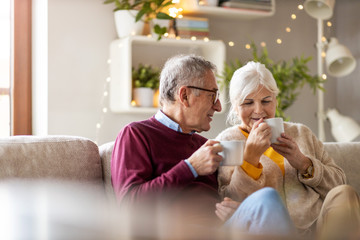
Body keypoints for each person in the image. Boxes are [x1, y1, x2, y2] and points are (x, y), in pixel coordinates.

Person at [111, 54, 295, 239]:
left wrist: (234, 209)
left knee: (264, 201)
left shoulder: (204, 145)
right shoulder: (136, 134)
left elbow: (224, 197)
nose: (219, 106)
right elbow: (130, 207)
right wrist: (190, 167)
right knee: (267, 199)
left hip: (219, 232)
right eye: (212, 95)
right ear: (184, 95)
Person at [216, 61, 360, 240]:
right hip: (270, 229)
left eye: (266, 101)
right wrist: (250, 157)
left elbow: (337, 183)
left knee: (344, 193)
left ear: (276, 100)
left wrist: (304, 163)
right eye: (248, 102)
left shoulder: (301, 133)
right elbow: (226, 198)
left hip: (317, 228)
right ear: (236, 108)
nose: (259, 110)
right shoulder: (228, 141)